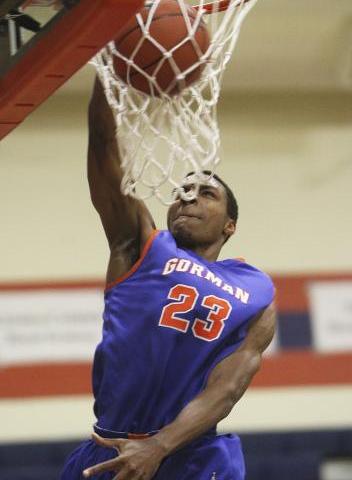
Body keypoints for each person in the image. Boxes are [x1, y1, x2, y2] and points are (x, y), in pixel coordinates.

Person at [61, 77, 276, 480]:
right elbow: (103, 147)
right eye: (183, 190)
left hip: (193, 453)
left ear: (230, 226)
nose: (189, 197)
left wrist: (158, 446)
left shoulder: (256, 288)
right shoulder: (141, 244)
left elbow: (227, 387)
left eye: (206, 194)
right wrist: (107, 65)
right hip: (111, 446)